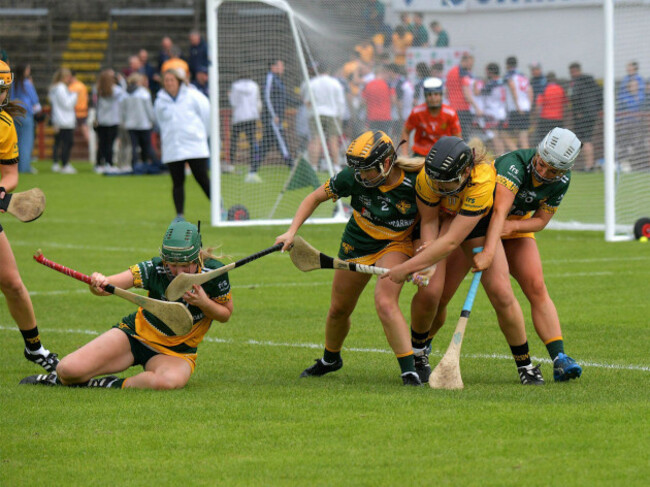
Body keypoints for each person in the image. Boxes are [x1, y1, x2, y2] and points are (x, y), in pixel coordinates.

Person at [381, 136, 544, 385]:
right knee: (431, 292)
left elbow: (451, 242)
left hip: (475, 223)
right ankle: (418, 355)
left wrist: (404, 269)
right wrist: (426, 262)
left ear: (466, 171)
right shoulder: (428, 177)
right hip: (442, 221)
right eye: (435, 182)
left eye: (445, 183)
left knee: (501, 292)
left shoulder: (482, 179)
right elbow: (429, 221)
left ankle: (526, 365)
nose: (438, 187)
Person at [275, 130, 426, 386]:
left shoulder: (417, 181)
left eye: (367, 169)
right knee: (338, 310)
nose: (361, 175)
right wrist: (291, 231)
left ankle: (409, 371)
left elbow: (430, 220)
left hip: (396, 243)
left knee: (385, 302)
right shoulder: (352, 177)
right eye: (357, 169)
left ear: (387, 163)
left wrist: (423, 261)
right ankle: (330, 359)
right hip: (356, 242)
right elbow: (314, 198)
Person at [19, 220, 233, 389]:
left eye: (185, 266)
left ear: (197, 258)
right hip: (135, 336)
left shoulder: (214, 274)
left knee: (168, 382)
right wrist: (98, 282)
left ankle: (107, 384)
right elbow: (108, 286)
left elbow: (225, 314)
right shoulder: (154, 268)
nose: (178, 272)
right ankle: (55, 380)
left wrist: (203, 303)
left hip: (177, 353)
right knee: (67, 370)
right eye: (173, 265)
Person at [472, 127, 583, 382]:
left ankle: (559, 359)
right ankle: (422, 347)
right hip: (480, 225)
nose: (543, 173)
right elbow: (499, 212)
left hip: (514, 225)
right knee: (444, 293)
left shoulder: (562, 181)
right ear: (538, 152)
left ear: (564, 170)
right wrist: (489, 251)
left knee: (536, 286)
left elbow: (541, 221)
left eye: (552, 171)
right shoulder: (514, 165)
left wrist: (514, 227)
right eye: (542, 164)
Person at [0, 60, 59, 373]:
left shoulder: (5, 124)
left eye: (2, 91)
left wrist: (1, 190)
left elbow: (10, 175)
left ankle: (34, 348)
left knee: (11, 283)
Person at [154, 68, 211, 220]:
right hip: (173, 147)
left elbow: (206, 114)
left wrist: (202, 135)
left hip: (195, 146)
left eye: (172, 80)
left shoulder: (194, 96)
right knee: (177, 182)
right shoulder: (160, 100)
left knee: (202, 179)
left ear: (179, 81)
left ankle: (220, 209)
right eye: (166, 81)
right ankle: (179, 215)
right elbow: (160, 121)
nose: (169, 83)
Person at [400, 77, 461, 158]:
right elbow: (406, 131)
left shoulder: (451, 114)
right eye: (429, 95)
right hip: (420, 155)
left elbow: (458, 138)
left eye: (436, 94)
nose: (433, 98)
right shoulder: (417, 112)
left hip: (443, 155)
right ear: (425, 96)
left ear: (441, 95)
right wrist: (404, 154)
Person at [303, 64, 346, 172]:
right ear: (328, 70)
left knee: (316, 140)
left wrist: (310, 114)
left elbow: (307, 102)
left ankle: (313, 166)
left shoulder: (312, 83)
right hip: (332, 114)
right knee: (333, 141)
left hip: (316, 114)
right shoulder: (335, 83)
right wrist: (340, 115)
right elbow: (341, 102)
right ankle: (336, 166)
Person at [121, 73, 160, 174]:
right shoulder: (143, 93)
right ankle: (146, 164)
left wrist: (125, 120)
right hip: (144, 124)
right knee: (146, 146)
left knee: (133, 146)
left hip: (130, 124)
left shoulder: (125, 93)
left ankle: (134, 165)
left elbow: (123, 110)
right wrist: (153, 120)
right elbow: (149, 109)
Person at [259, 59, 292, 170]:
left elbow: (284, 97)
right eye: (281, 65)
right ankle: (292, 166)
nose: (283, 68)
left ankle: (252, 172)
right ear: (273, 67)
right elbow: (267, 98)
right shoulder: (270, 78)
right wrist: (274, 115)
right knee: (282, 143)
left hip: (276, 118)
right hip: (272, 119)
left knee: (265, 145)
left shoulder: (278, 80)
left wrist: (300, 102)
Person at [568, 62, 601, 171]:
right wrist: (599, 109)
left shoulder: (576, 83)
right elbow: (600, 95)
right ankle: (589, 164)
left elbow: (574, 97)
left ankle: (588, 166)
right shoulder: (592, 82)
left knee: (584, 140)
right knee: (588, 139)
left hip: (582, 116)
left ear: (575, 71)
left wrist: (578, 111)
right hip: (593, 114)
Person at [229, 70, 261, 180]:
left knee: (234, 140)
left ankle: (231, 165)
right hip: (251, 116)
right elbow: (258, 102)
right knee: (252, 141)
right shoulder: (254, 86)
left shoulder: (235, 86)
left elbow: (233, 102)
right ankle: (253, 166)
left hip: (239, 117)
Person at [9, 64, 41, 174]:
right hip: (25, 113)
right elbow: (34, 99)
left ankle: (15, 167)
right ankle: (24, 167)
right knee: (26, 142)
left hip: (14, 113)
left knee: (15, 142)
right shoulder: (27, 83)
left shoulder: (12, 83)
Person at [94, 68, 126, 174]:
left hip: (101, 120)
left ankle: (99, 163)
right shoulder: (115, 89)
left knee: (102, 143)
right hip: (112, 120)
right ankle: (109, 163)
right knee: (110, 144)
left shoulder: (98, 89)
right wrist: (121, 80)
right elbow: (124, 92)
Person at [48, 68, 78, 174]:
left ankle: (57, 163)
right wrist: (74, 95)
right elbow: (67, 104)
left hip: (59, 118)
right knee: (67, 142)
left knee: (58, 142)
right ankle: (65, 164)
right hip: (65, 120)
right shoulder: (61, 88)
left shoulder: (55, 88)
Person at [446, 53, 481, 138]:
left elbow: (447, 91)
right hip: (463, 108)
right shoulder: (463, 74)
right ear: (464, 61)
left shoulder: (451, 71)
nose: (471, 67)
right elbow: (467, 94)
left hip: (453, 107)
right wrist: (477, 108)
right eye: (470, 64)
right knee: (464, 134)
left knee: (455, 132)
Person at [503, 56, 533, 151]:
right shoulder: (523, 76)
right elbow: (530, 91)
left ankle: (517, 155)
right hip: (526, 108)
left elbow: (512, 88)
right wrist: (529, 105)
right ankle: (527, 160)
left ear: (507, 65)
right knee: (523, 137)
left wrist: (517, 105)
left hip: (515, 109)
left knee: (504, 135)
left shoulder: (510, 75)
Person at [535, 72, 566, 143]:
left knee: (544, 141)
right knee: (556, 141)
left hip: (545, 119)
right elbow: (565, 104)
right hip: (558, 119)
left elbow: (538, 106)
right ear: (555, 79)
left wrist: (536, 118)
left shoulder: (543, 89)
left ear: (547, 80)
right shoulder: (561, 89)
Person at [68, 70, 90, 157]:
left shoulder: (72, 87)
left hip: (75, 112)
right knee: (86, 132)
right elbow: (87, 98)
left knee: (69, 134)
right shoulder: (82, 85)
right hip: (83, 111)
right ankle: (94, 148)